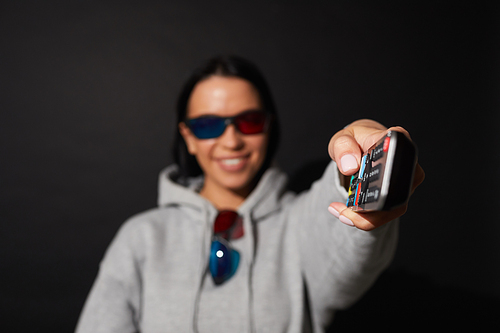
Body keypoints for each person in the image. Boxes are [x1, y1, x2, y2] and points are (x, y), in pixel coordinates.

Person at [75, 55, 424, 333]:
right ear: (188, 137)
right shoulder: (142, 238)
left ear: (268, 127)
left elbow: (345, 259)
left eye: (249, 121)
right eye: (208, 125)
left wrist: (357, 165)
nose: (231, 141)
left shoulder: (298, 223)